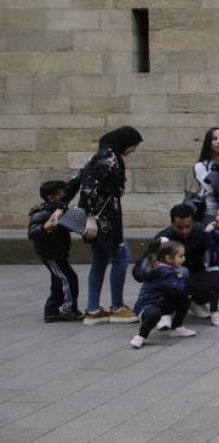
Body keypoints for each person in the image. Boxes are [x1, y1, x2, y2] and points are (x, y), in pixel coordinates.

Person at [62, 125, 143, 326]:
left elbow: (75, 180)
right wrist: (90, 217)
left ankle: (93, 309)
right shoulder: (109, 158)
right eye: (133, 145)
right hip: (104, 219)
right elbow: (88, 187)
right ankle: (117, 307)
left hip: (99, 219)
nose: (133, 150)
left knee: (99, 260)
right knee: (121, 257)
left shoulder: (98, 156)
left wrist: (60, 205)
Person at [27, 180, 82, 322]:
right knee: (69, 278)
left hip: (59, 252)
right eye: (62, 194)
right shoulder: (42, 213)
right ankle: (69, 309)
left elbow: (71, 225)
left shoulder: (59, 210)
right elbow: (32, 233)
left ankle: (51, 311)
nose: (65, 196)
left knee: (58, 281)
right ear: (51, 198)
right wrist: (45, 228)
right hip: (51, 254)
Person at [129, 240, 195, 349]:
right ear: (169, 258)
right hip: (147, 306)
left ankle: (177, 328)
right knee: (154, 313)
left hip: (161, 302)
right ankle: (141, 336)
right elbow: (178, 289)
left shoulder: (164, 268)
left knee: (184, 299)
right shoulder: (166, 273)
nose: (184, 259)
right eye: (181, 256)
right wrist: (181, 277)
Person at [193, 127, 219, 222]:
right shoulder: (200, 166)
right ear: (208, 142)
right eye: (214, 139)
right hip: (210, 213)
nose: (218, 142)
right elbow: (211, 188)